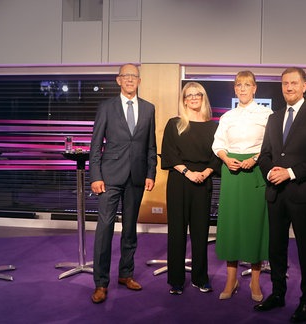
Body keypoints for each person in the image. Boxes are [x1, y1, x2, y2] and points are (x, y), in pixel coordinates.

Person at [255, 67, 306, 323]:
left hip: (302, 195)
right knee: (276, 249)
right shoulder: (274, 118)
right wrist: (272, 172)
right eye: (285, 83)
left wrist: (290, 172)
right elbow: (265, 155)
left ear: (304, 86)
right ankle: (278, 294)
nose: (288, 87)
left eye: (294, 83)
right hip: (276, 194)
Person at [89, 63, 157, 304]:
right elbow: (95, 145)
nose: (130, 80)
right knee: (104, 229)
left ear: (139, 80)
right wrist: (95, 176)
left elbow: (151, 145)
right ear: (118, 80)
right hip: (109, 177)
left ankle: (126, 274)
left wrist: (151, 173)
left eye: (134, 76)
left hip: (137, 177)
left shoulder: (149, 108)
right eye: (125, 76)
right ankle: (100, 283)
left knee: (129, 230)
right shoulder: (106, 107)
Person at [212, 71, 272, 302]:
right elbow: (218, 143)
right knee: (231, 225)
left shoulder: (267, 114)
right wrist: (226, 159)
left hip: (255, 170)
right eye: (239, 85)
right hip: (232, 171)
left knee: (254, 225)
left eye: (247, 85)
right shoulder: (227, 116)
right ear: (235, 89)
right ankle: (231, 280)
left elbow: (271, 144)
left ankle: (255, 282)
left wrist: (256, 159)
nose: (243, 89)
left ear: (255, 88)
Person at [160, 82, 220, 295]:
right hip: (179, 180)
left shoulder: (214, 126)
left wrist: (205, 173)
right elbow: (168, 153)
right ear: (184, 99)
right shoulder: (174, 123)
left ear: (203, 98)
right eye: (189, 95)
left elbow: (217, 156)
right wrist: (188, 172)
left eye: (198, 94)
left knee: (200, 232)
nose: (194, 98)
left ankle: (200, 277)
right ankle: (176, 280)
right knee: (176, 231)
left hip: (203, 181)